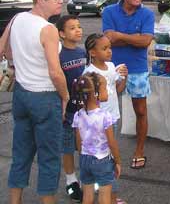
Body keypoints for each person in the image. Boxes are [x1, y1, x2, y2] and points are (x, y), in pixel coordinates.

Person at [5, 0, 69, 204]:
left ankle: (14, 201)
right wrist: (65, 96)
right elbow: (55, 72)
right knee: (49, 157)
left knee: (20, 153)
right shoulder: (48, 29)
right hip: (44, 96)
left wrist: (19, 62)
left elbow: (4, 49)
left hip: (22, 95)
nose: (61, 0)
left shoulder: (18, 18)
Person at [102, 0, 154, 169]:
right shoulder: (109, 11)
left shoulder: (147, 14)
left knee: (140, 111)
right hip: (111, 70)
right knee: (106, 112)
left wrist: (120, 36)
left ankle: (139, 151)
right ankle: (105, 151)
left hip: (137, 69)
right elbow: (106, 41)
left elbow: (146, 42)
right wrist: (135, 39)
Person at [83, 33, 128, 204]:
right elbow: (87, 102)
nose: (109, 51)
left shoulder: (110, 66)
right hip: (100, 123)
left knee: (101, 159)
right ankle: (111, 197)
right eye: (104, 48)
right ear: (92, 52)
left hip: (112, 117)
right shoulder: (89, 73)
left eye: (110, 47)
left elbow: (117, 90)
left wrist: (124, 76)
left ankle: (105, 193)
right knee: (108, 161)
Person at [72, 72, 122, 204]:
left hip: (84, 158)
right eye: (105, 88)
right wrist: (117, 161)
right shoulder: (105, 116)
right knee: (104, 196)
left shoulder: (78, 115)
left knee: (87, 196)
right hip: (102, 160)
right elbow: (112, 143)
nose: (108, 91)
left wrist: (82, 155)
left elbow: (78, 141)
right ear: (95, 94)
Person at [56, 15, 86, 202]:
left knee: (85, 146)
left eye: (79, 26)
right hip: (67, 112)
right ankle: (71, 181)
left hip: (84, 111)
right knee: (67, 147)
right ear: (61, 34)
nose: (78, 30)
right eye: (72, 28)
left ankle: (86, 180)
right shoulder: (58, 56)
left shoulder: (83, 52)